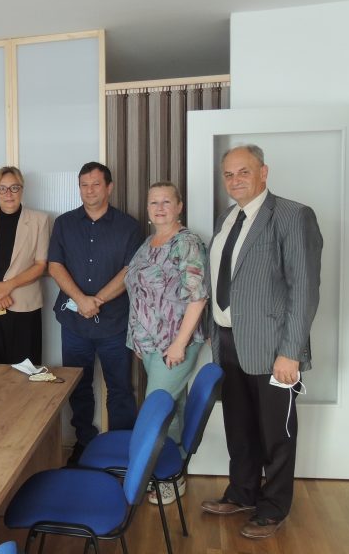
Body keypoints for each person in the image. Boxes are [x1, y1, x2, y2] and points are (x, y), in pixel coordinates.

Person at [201, 145, 322, 540]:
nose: (235, 180)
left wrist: (291, 352)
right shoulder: (226, 218)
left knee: (276, 433)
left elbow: (304, 289)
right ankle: (242, 493)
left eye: (244, 172)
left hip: (274, 350)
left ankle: (272, 508)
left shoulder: (292, 215)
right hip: (228, 343)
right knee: (239, 427)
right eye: (228, 174)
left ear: (263, 172)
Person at [48, 162, 142, 465]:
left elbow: (130, 271)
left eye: (96, 184)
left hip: (114, 323)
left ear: (109, 187)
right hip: (74, 323)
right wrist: (81, 300)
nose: (89, 190)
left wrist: (97, 300)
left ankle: (120, 451)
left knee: (120, 389)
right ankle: (84, 445)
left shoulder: (129, 226)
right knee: (78, 386)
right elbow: (55, 266)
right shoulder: (64, 224)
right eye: (84, 185)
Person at [125, 181, 208, 504]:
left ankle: (168, 477)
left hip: (175, 343)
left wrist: (179, 344)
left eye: (166, 202)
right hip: (149, 344)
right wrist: (138, 337)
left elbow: (198, 297)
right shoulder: (148, 243)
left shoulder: (187, 243)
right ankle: (171, 471)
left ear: (179, 206)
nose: (159, 208)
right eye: (153, 203)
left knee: (157, 410)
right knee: (172, 406)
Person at [0, 166, 50, 365]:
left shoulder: (40, 221)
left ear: (22, 189)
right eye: (2, 189)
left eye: (14, 188)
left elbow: (41, 265)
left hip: (24, 306)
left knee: (26, 370)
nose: (8, 194)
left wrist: (8, 286)